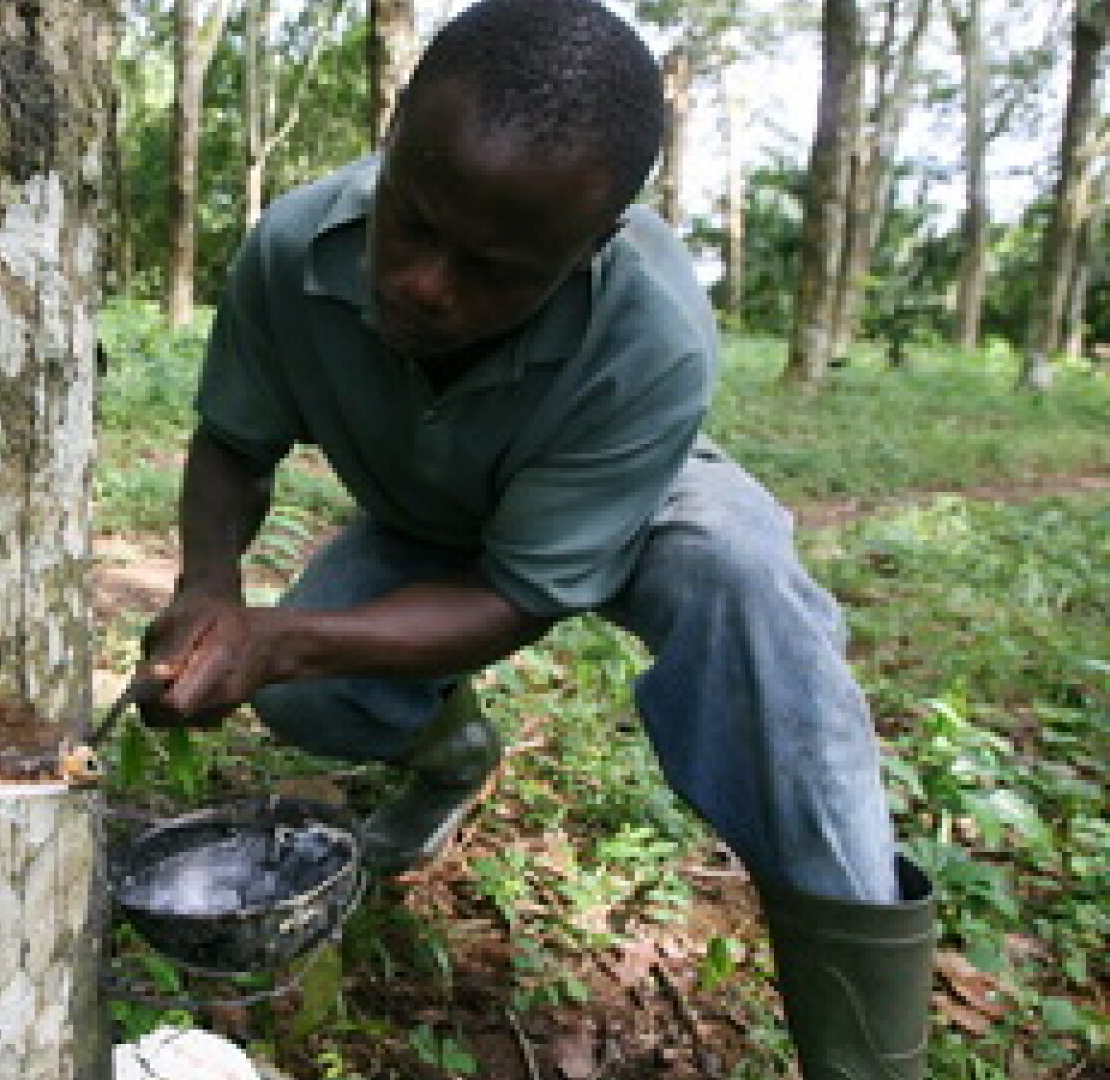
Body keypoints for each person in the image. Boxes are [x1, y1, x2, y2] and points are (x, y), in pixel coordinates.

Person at [132, 0, 936, 1076]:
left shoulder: (652, 334)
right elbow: (232, 445)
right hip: (433, 523)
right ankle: (450, 760)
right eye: (413, 222)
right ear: (397, 134)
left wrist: (282, 633)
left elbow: (520, 596)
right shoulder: (293, 250)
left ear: (591, 245)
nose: (426, 284)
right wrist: (212, 586)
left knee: (745, 594)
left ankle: (867, 1048)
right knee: (310, 693)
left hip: (643, 507)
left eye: (497, 270)